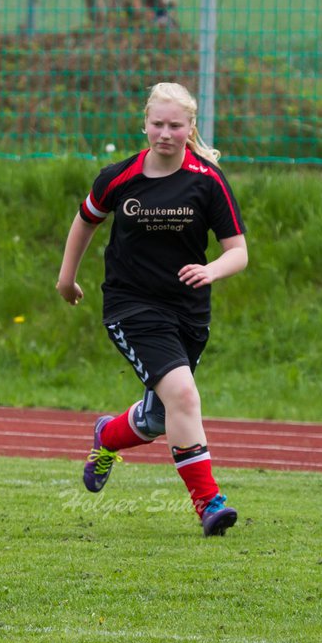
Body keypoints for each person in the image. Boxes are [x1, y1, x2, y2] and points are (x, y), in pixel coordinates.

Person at [55, 82, 248, 537]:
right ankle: (209, 503)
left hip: (189, 311)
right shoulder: (118, 177)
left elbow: (237, 251)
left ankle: (108, 435)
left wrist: (213, 271)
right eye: (157, 124)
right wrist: (67, 278)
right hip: (131, 305)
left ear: (190, 128)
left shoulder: (208, 181)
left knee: (160, 417)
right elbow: (85, 222)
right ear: (144, 125)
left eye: (175, 125)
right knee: (183, 396)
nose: (165, 133)